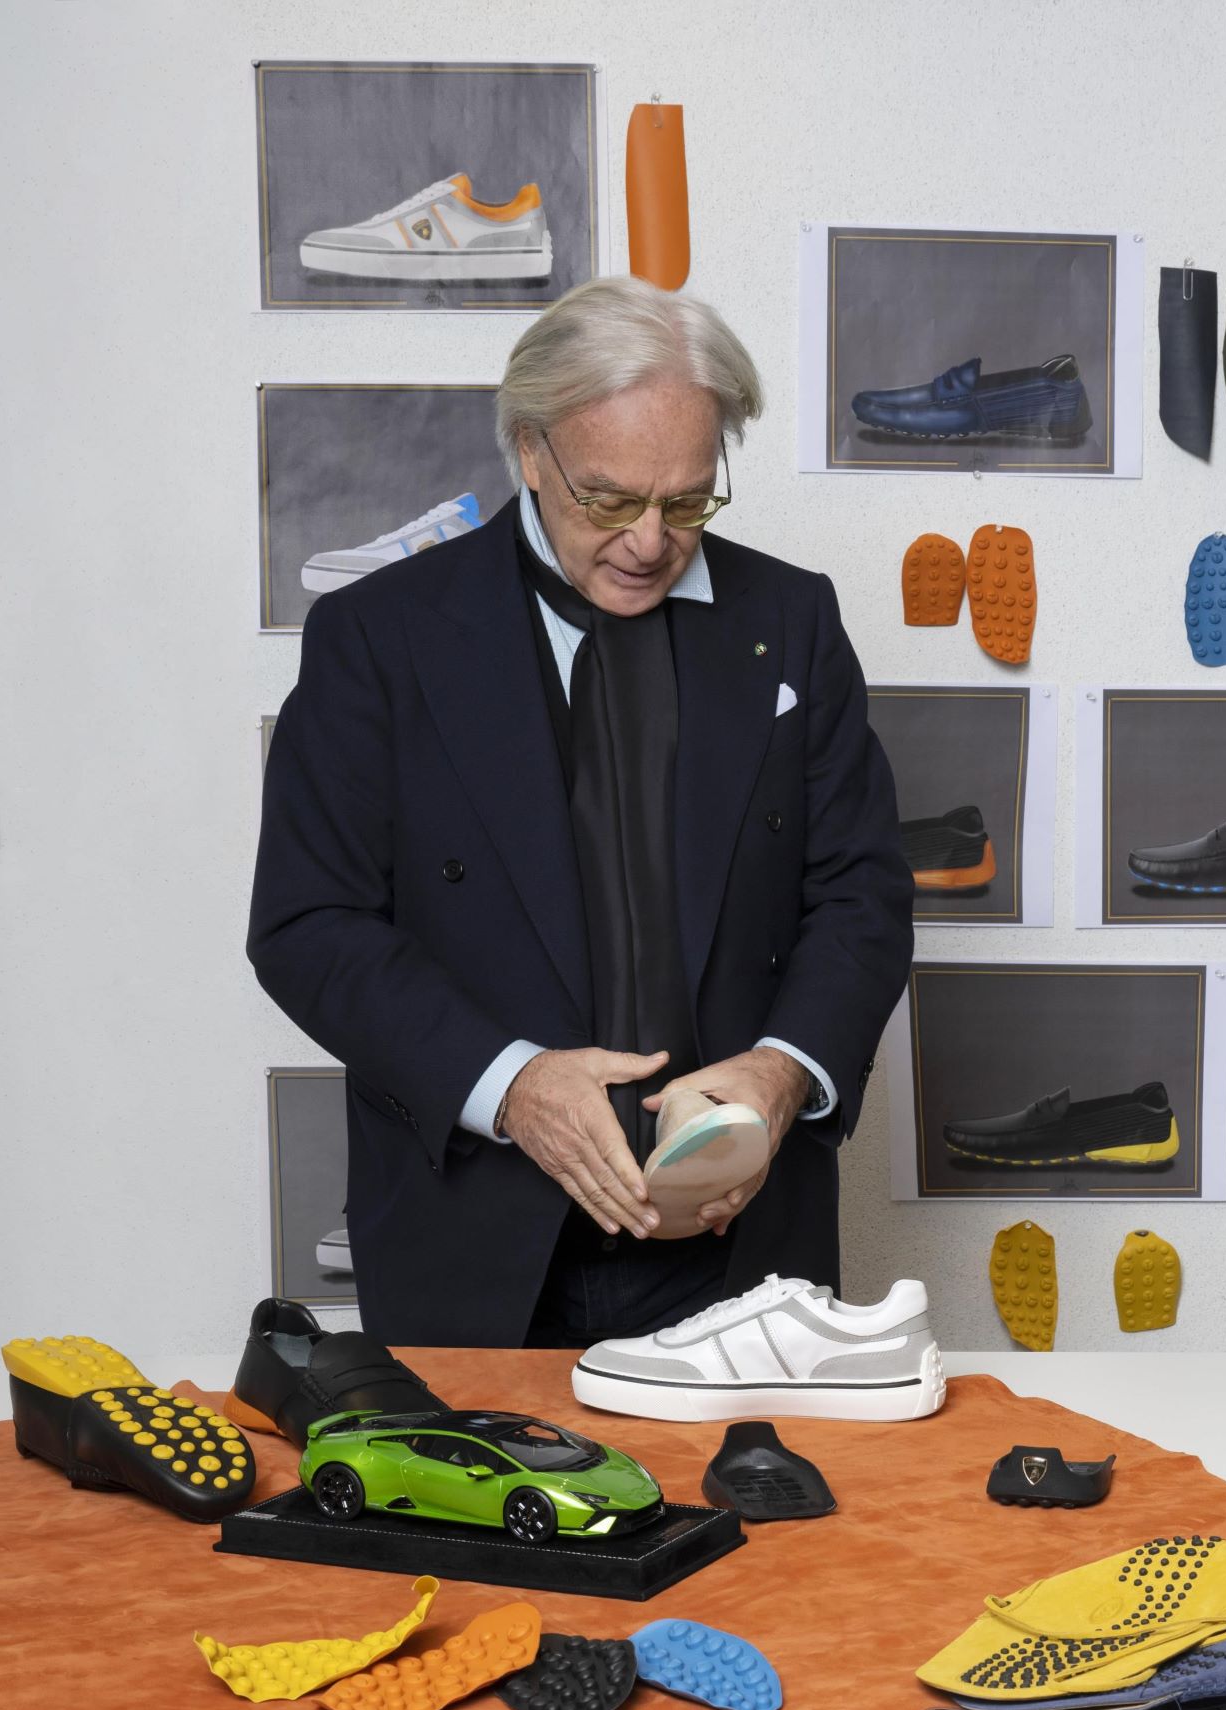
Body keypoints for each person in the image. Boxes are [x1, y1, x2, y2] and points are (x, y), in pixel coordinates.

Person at [250, 277, 913, 1347]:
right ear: (529, 449)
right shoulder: (377, 639)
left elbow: (863, 896)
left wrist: (781, 1072)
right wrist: (511, 1088)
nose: (651, 541)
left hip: (746, 1235)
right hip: (475, 1240)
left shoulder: (794, 622)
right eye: (609, 499)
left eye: (688, 501)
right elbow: (306, 925)